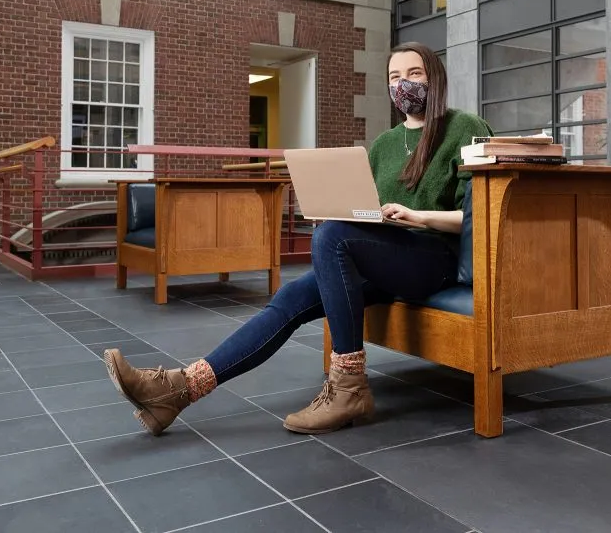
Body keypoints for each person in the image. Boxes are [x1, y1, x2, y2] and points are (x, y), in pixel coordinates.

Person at [103, 42, 493, 436]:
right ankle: (178, 390)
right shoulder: (384, 145)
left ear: (434, 78)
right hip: (387, 253)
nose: (403, 84)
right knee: (293, 292)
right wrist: (346, 209)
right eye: (394, 77)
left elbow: (478, 216)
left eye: (414, 75)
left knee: (333, 237)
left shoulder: (464, 127)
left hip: (434, 259)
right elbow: (367, 213)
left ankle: (348, 387)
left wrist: (418, 215)